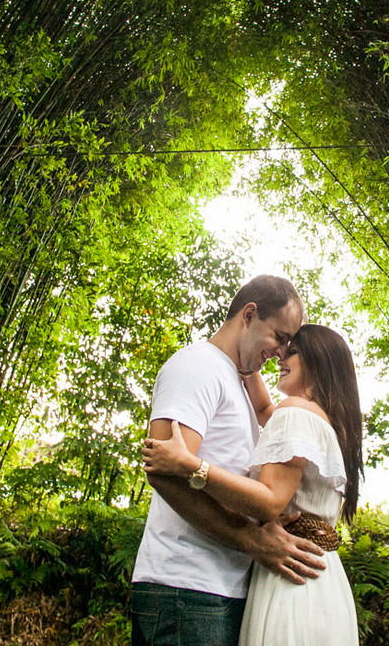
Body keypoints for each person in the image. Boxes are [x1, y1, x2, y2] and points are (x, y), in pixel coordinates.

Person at [130, 276, 328, 646]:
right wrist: (252, 539)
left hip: (222, 590)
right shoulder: (197, 366)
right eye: (280, 337)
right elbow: (164, 474)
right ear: (249, 315)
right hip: (186, 591)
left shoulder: (237, 381)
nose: (281, 353)